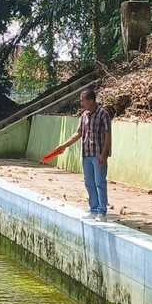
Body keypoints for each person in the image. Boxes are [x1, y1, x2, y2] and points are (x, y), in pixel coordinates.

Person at [57, 89, 112, 222]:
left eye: (83, 100)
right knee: (89, 182)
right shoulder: (84, 116)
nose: (81, 103)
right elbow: (78, 133)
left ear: (91, 101)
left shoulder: (103, 114)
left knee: (100, 182)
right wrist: (64, 145)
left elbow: (108, 134)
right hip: (86, 154)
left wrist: (104, 153)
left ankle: (102, 211)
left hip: (98, 154)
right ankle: (93, 209)